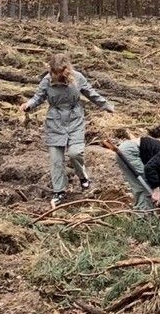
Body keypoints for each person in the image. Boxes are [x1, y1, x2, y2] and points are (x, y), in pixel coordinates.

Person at [21, 53, 116, 207]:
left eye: (59, 72)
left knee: (75, 153)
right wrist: (29, 105)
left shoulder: (77, 78)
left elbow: (91, 93)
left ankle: (83, 177)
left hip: (74, 120)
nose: (56, 75)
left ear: (66, 69)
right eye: (54, 72)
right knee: (56, 160)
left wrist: (106, 105)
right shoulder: (46, 81)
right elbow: (38, 97)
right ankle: (59, 191)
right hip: (55, 122)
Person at [113, 135, 160, 213]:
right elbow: (149, 168)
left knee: (146, 187)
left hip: (126, 152)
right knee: (145, 187)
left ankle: (147, 214)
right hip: (130, 151)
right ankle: (144, 219)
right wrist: (156, 190)